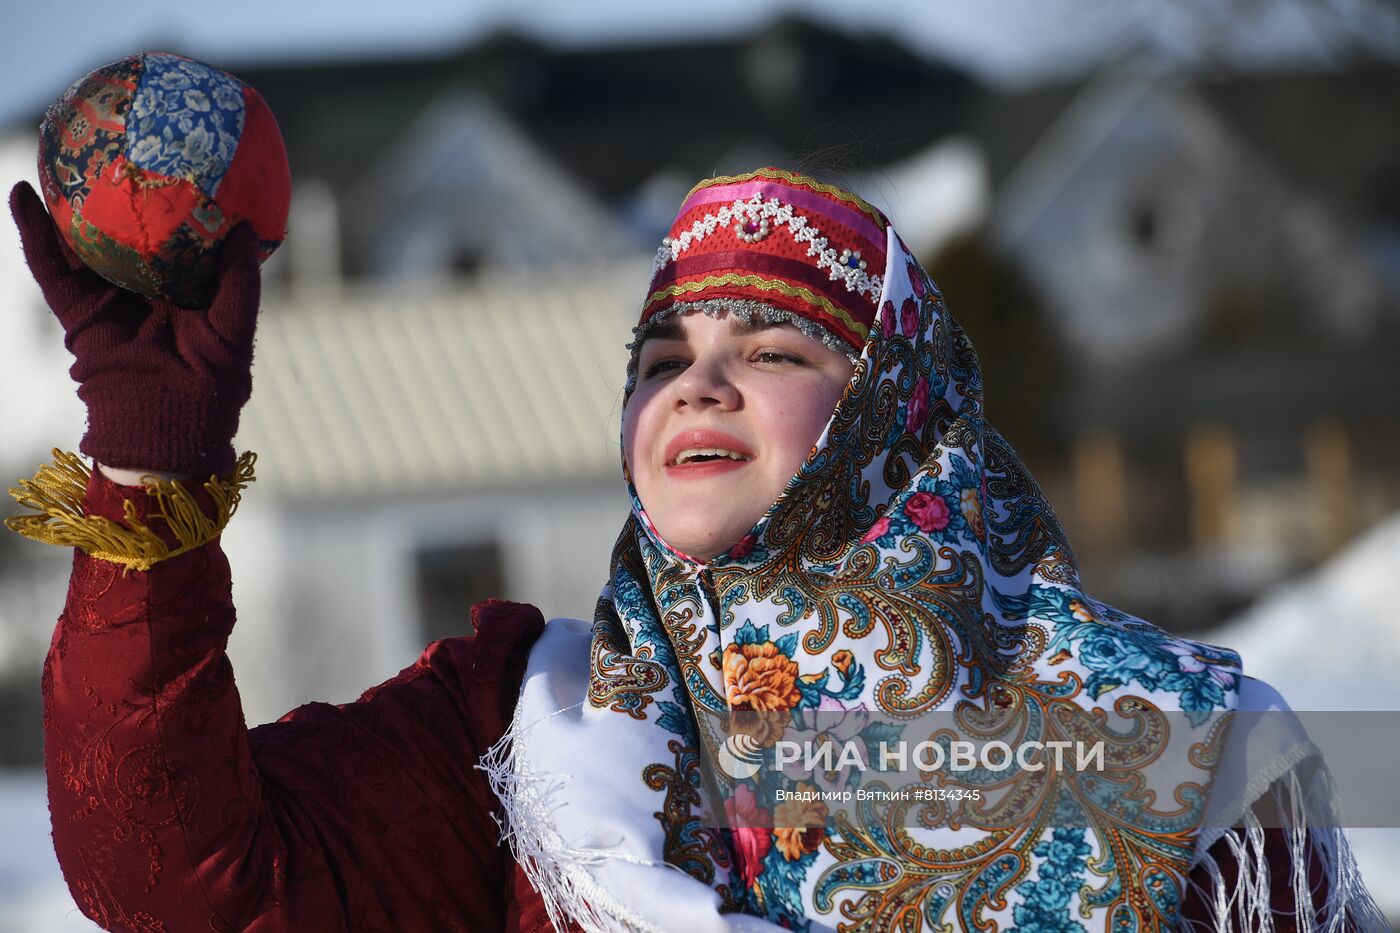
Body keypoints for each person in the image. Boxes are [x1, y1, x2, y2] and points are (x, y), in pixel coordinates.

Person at [7, 168, 1385, 933]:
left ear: (900, 415)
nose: (695, 385)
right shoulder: (519, 729)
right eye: (660, 355)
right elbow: (167, 871)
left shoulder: (1193, 762)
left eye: (773, 349)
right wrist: (148, 457)